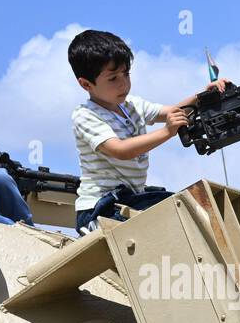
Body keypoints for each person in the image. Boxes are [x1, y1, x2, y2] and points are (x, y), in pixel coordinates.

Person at [68, 29, 228, 234]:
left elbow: (172, 111)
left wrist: (203, 96)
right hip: (100, 208)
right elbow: (121, 150)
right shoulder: (86, 115)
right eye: (113, 78)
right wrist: (166, 132)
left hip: (132, 198)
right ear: (86, 84)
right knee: (177, 218)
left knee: (193, 207)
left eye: (126, 74)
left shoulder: (131, 104)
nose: (123, 83)